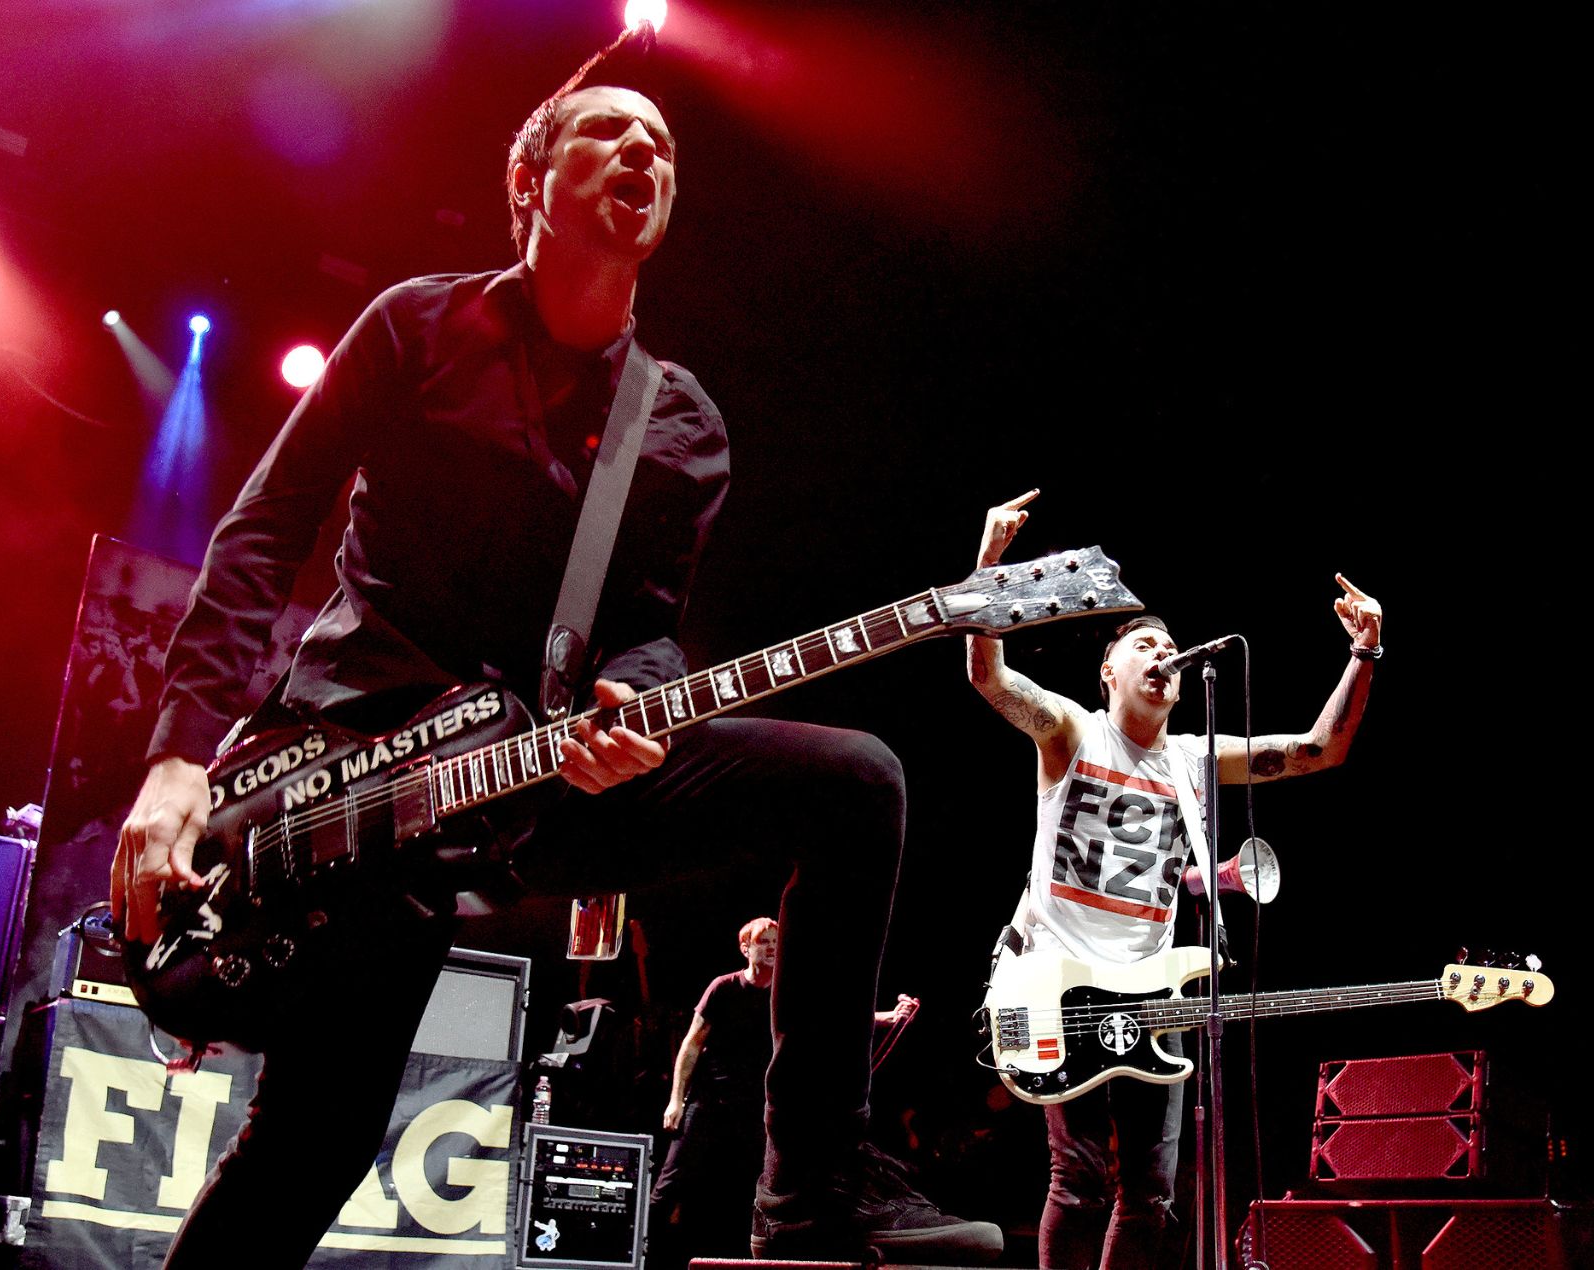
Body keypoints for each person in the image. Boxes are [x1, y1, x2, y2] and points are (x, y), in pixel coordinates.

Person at [109, 28, 1001, 1269]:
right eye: (608, 130)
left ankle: (813, 1181)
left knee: (854, 780)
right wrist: (176, 760)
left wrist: (629, 712)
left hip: (544, 780)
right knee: (314, 1135)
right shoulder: (414, 328)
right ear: (529, 181)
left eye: (664, 145)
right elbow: (263, 527)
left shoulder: (679, 423)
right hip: (354, 775)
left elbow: (643, 626)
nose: (644, 147)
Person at [963, 490, 1384, 1270]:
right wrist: (989, 567)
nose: (1164, 655)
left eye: (1170, 647)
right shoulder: (1070, 732)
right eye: (1146, 645)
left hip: (1152, 987)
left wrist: (1364, 654)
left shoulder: (1195, 759)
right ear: (1107, 672)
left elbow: (1321, 750)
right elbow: (989, 677)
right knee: (1079, 1179)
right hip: (1052, 977)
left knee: (1152, 1194)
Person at [650, 917, 919, 1265]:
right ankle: (642, 1252)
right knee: (671, 1182)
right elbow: (690, 1046)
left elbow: (834, 1019)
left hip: (756, 1108)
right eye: (764, 941)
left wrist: (887, 1018)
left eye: (778, 940)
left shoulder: (785, 993)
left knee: (758, 1190)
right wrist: (675, 1100)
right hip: (710, 1101)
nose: (773, 947)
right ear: (746, 948)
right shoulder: (724, 987)